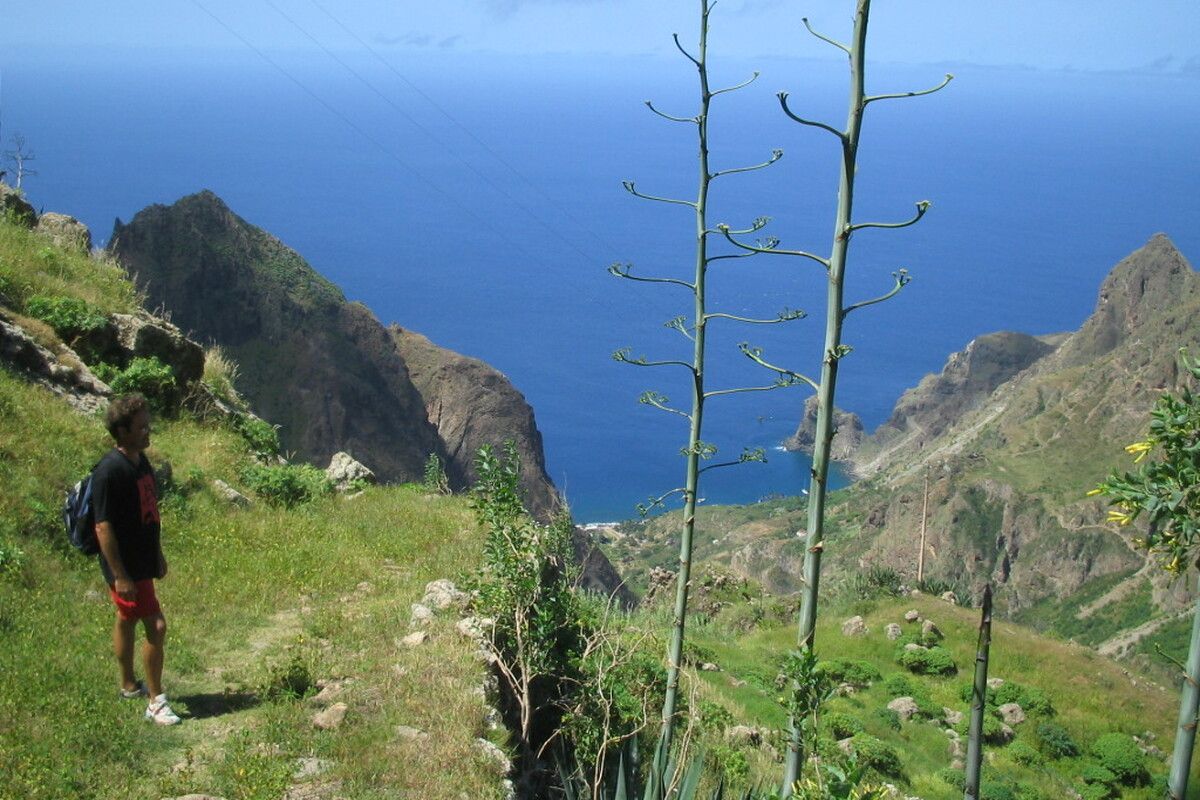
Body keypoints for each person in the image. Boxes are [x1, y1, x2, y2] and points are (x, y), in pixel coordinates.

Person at [93, 393, 181, 725]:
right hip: (125, 566)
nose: (148, 431)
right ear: (123, 431)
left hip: (142, 561)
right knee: (156, 626)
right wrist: (120, 575)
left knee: (126, 618)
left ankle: (129, 685)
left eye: (148, 425)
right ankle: (156, 701)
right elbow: (103, 527)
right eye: (141, 427)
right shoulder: (109, 472)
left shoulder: (140, 462)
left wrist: (157, 553)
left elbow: (149, 513)